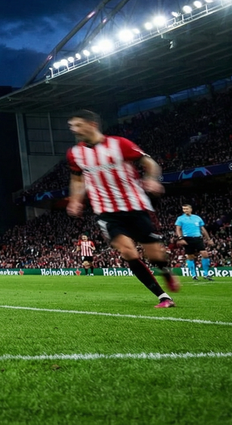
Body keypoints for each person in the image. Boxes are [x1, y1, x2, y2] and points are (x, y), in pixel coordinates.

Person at [66, 109, 178, 308]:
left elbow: (149, 163)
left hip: (135, 206)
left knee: (154, 254)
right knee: (128, 252)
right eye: (72, 126)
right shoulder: (75, 154)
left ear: (92, 125)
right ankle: (163, 296)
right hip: (105, 211)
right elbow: (76, 179)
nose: (74, 129)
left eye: (78, 125)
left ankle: (166, 272)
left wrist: (151, 179)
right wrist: (75, 200)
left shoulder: (120, 144)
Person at [174, 204, 214, 281]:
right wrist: (180, 238)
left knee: (205, 254)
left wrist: (208, 239)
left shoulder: (197, 218)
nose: (185, 210)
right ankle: (194, 275)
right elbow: (178, 229)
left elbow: (203, 229)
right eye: (184, 209)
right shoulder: (180, 218)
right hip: (187, 238)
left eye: (186, 209)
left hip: (198, 238)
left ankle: (206, 274)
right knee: (190, 257)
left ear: (191, 209)